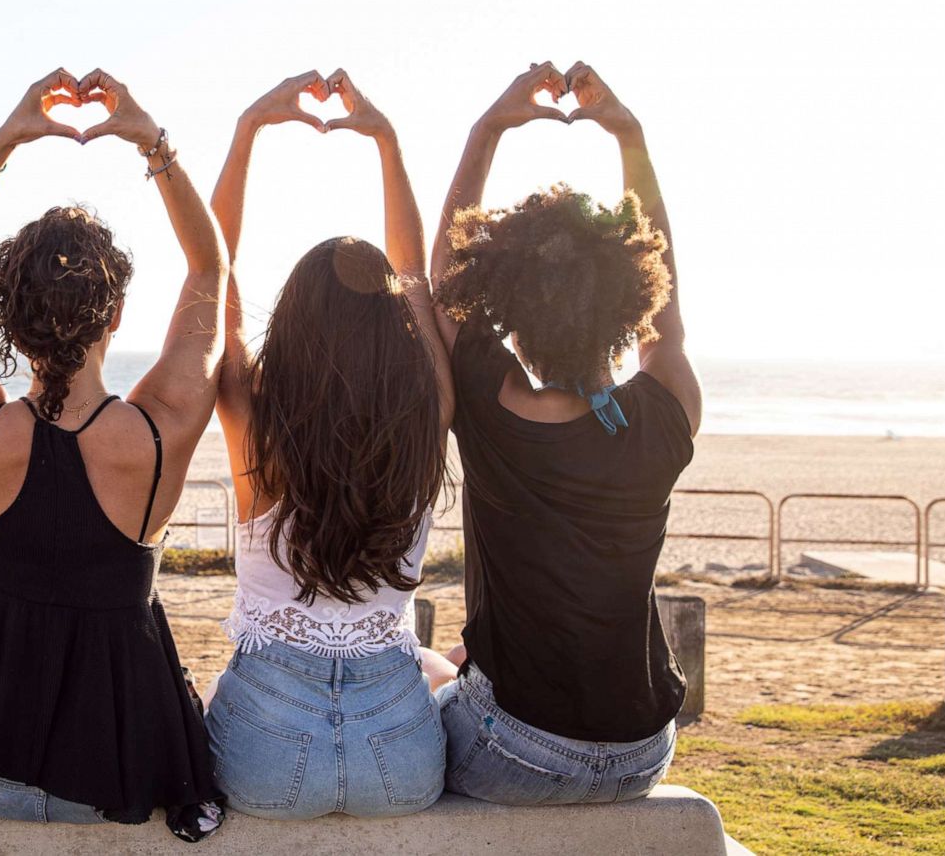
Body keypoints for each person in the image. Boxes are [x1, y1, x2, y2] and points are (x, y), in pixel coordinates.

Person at [0, 69, 227, 840]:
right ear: (115, 312)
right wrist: (153, 142)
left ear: (8, 317)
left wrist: (5, 141)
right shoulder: (160, 428)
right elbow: (211, 271)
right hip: (115, 778)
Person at [428, 62, 702, 805]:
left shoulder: (487, 402)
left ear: (508, 305)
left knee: (418, 668)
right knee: (457, 656)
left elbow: (444, 280)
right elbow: (668, 319)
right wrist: (628, 134)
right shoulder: (663, 412)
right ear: (630, 301)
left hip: (521, 752)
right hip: (643, 751)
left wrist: (488, 130)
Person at [201, 70, 455, 819]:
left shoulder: (257, 421)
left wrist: (248, 128)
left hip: (266, 748)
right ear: (398, 332)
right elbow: (413, 278)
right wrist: (386, 139)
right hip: (401, 756)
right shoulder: (428, 409)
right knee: (437, 666)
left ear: (295, 327)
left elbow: (213, 280)